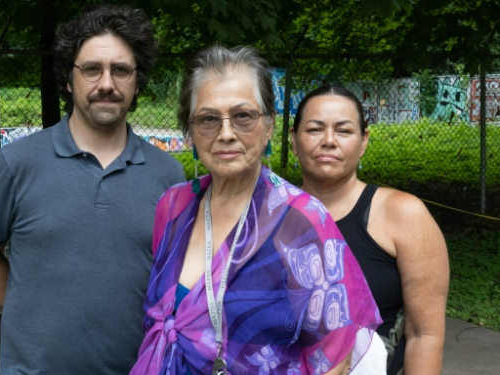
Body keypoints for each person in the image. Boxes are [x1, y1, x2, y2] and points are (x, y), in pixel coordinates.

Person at [131, 45, 383, 375]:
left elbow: (334, 359)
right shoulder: (174, 206)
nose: (225, 133)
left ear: (268, 127)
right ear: (190, 131)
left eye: (243, 116)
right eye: (208, 119)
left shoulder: (300, 221)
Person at [0, 5, 185, 374]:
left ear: (137, 81)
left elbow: (174, 278)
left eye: (121, 70)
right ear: (69, 79)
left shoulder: (168, 174)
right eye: (91, 69)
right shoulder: (17, 164)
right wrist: (31, 318)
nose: (106, 84)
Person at [290, 85, 450, 375]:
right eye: (314, 129)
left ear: (363, 141)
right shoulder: (270, 216)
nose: (328, 141)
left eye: (344, 130)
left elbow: (424, 335)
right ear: (293, 139)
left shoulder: (404, 214)